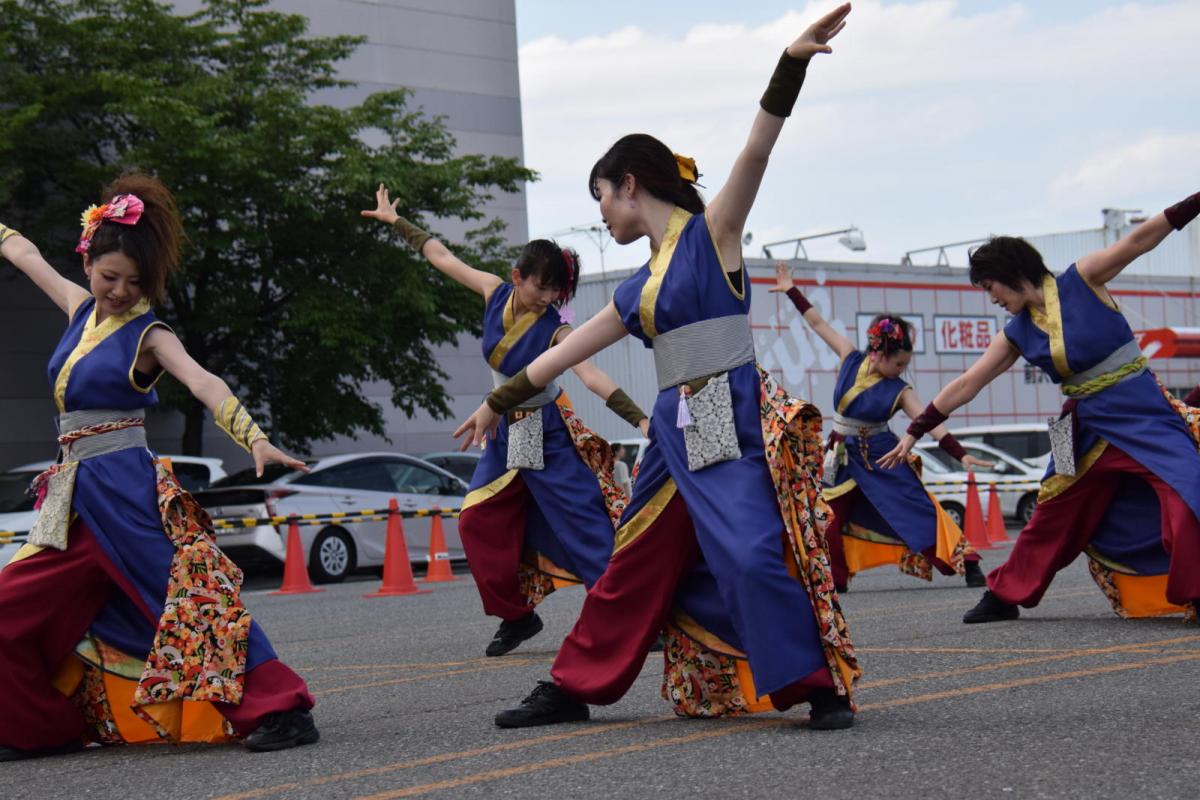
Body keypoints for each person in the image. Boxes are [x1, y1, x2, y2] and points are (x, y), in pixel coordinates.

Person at [456, 4, 859, 730]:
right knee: (633, 559)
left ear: (631, 184)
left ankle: (814, 684)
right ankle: (571, 686)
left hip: (719, 410)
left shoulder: (715, 234)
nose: (602, 214)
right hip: (677, 425)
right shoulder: (637, 287)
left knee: (746, 550)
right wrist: (498, 401)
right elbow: (562, 355)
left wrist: (789, 64)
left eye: (602, 198)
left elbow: (755, 154)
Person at [0, 173, 318, 759]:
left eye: (135, 281)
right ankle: (36, 727)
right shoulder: (77, 309)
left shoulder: (149, 332)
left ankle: (283, 706)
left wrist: (254, 436)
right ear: (88, 262)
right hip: (70, 498)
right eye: (109, 277)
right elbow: (23, 252)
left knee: (188, 602)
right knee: (7, 606)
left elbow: (203, 379)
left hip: (125, 491)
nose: (120, 290)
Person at [879, 190, 1200, 623]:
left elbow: (1140, 239)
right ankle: (1004, 595)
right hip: (1082, 424)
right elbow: (969, 382)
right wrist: (916, 430)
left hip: (1142, 411)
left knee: (1187, 490)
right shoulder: (1016, 332)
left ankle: (1196, 593)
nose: (991, 299)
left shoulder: (1082, 279)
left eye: (990, 288)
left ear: (1011, 273)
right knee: (1052, 512)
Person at [362, 186, 648, 656]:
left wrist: (638, 420)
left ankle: (634, 618)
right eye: (541, 286)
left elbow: (592, 376)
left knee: (584, 527)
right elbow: (441, 256)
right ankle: (517, 616)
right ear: (517, 276)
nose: (549, 296)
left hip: (547, 430)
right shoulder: (494, 292)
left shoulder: (556, 328)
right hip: (503, 431)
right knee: (475, 521)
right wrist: (398, 223)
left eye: (557, 289)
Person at [771, 263, 990, 589]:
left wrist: (958, 453)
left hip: (883, 455)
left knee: (917, 511)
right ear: (879, 352)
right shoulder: (849, 356)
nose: (902, 369)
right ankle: (836, 580)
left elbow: (927, 420)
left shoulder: (900, 390)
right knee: (828, 517)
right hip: (841, 454)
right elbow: (816, 322)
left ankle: (968, 563)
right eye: (899, 362)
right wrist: (790, 288)